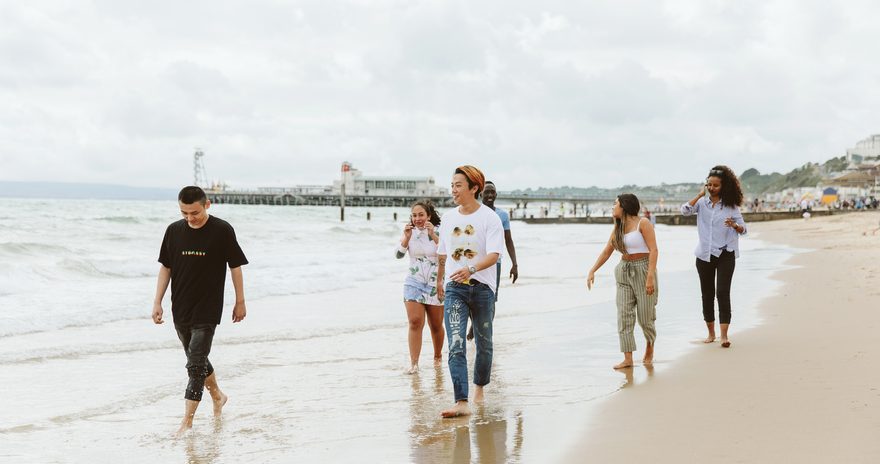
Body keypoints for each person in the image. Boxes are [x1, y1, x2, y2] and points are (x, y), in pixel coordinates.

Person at [152, 186, 249, 435]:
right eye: (184, 212)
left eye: (194, 212)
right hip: (180, 307)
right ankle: (217, 395)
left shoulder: (222, 230)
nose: (189, 218)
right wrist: (157, 301)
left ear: (207, 205)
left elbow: (235, 266)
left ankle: (187, 422)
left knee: (195, 365)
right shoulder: (173, 231)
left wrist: (240, 301)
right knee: (197, 358)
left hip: (208, 307)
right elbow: (166, 267)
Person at [436, 165, 504, 418]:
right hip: (455, 289)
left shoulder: (490, 218)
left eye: (458, 185)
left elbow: (495, 255)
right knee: (455, 343)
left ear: (474, 188)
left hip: (483, 288)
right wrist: (440, 279)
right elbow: (443, 252)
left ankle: (479, 389)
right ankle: (461, 401)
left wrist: (471, 269)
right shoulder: (448, 218)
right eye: (452, 185)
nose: (453, 190)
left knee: (484, 345)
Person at [586, 194, 659, 369]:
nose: (612, 207)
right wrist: (592, 270)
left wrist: (650, 277)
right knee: (624, 315)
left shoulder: (644, 224)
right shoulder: (617, 228)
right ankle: (628, 358)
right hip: (624, 270)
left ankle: (650, 345)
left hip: (643, 270)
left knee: (645, 317)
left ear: (624, 206)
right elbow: (606, 252)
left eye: (615, 204)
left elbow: (654, 250)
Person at [681, 166, 747, 348]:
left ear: (723, 186)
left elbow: (744, 229)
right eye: (709, 184)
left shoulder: (732, 207)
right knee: (707, 294)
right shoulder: (701, 203)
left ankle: (724, 336)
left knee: (722, 293)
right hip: (704, 255)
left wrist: (734, 225)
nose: (711, 188)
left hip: (726, 254)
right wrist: (699, 195)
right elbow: (685, 211)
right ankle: (711, 334)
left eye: (715, 185)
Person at [396, 200, 445, 374]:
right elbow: (398, 255)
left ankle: (437, 356)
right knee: (415, 322)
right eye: (414, 215)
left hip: (435, 282)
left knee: (436, 325)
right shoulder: (409, 232)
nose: (417, 218)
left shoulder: (439, 231)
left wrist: (433, 235)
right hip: (414, 281)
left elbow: (447, 254)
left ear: (429, 216)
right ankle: (414, 363)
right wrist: (406, 238)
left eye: (421, 215)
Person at [466, 181, 519, 341]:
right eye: (486, 192)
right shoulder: (473, 213)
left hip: (494, 263)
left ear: (496, 195)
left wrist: (514, 264)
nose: (489, 195)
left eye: (492, 192)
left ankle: (485, 331)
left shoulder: (502, 215)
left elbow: (508, 240)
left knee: (491, 297)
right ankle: (475, 324)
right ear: (480, 194)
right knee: (469, 295)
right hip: (473, 263)